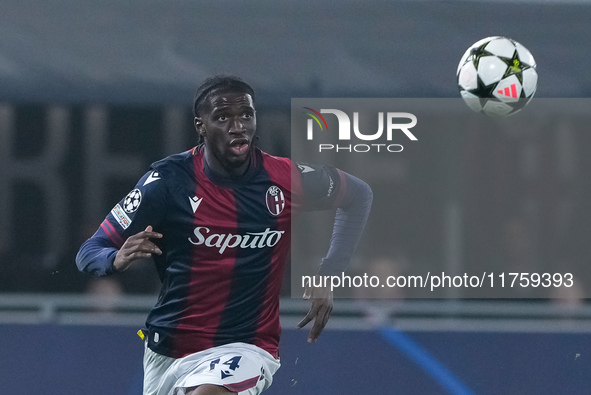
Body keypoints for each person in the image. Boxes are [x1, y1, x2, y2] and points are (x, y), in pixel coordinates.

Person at [76, 75, 373, 395]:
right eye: (222, 117)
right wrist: (115, 258)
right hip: (168, 347)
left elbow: (358, 195)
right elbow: (91, 250)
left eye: (246, 114)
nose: (238, 126)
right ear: (200, 126)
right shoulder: (167, 181)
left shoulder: (286, 179)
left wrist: (328, 274)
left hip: (246, 344)